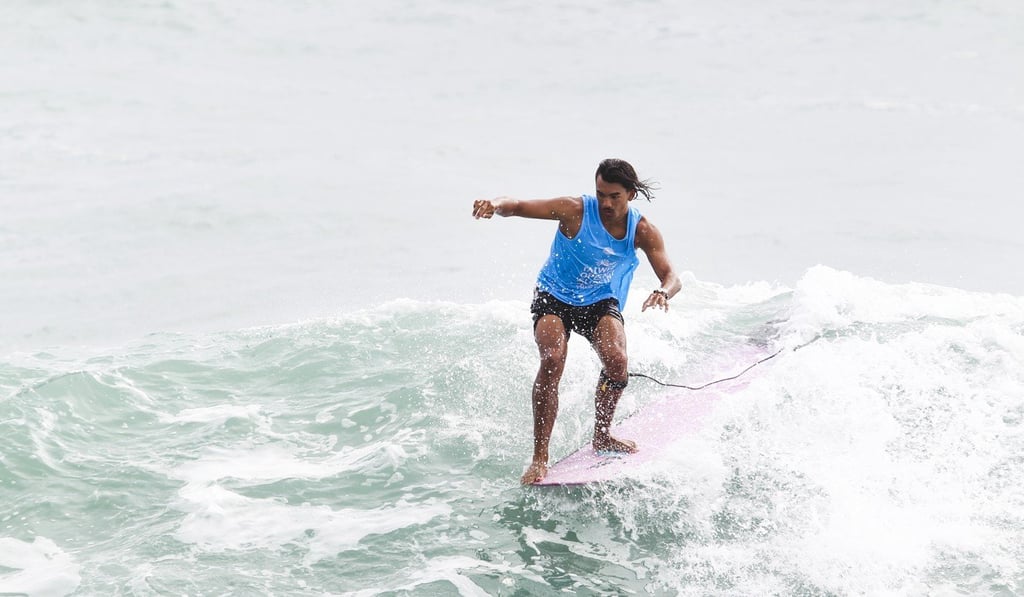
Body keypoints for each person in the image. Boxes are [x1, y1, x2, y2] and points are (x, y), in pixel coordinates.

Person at [472, 158, 682, 485]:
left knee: (617, 362)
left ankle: (602, 435)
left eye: (614, 196)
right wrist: (494, 205)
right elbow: (518, 206)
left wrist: (663, 293)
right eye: (601, 194)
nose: (606, 203)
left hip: (599, 300)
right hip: (554, 295)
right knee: (553, 358)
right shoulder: (574, 210)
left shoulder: (642, 230)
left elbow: (671, 276)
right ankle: (540, 457)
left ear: (630, 195)